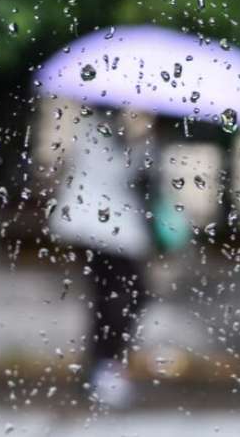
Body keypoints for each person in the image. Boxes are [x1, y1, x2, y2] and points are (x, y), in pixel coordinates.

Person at [39, 102, 158, 408]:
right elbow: (123, 174)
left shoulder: (103, 129)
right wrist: (144, 143)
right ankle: (105, 367)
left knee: (111, 296)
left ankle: (101, 366)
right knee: (124, 295)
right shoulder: (106, 132)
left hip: (100, 228)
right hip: (106, 229)